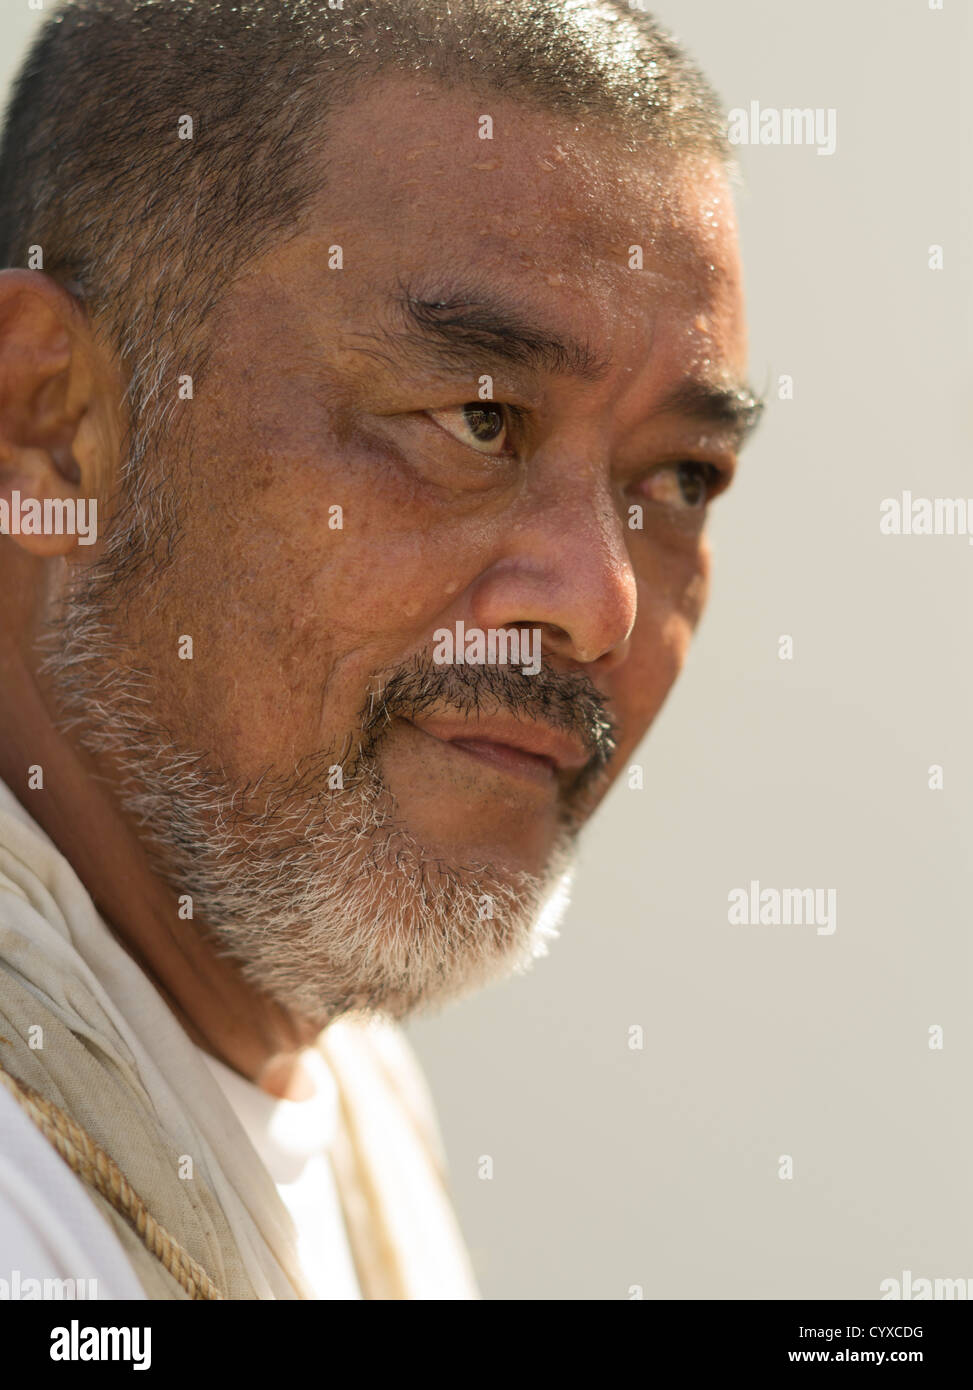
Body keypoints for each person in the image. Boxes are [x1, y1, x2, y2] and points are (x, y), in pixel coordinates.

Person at [0, 0, 761, 1300]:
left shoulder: (344, 1085)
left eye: (682, 476)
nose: (600, 601)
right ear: (53, 421)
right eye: (476, 419)